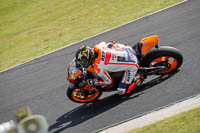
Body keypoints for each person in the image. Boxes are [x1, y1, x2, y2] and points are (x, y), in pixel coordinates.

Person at [75, 41, 140, 95]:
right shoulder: (97, 47)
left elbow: (108, 81)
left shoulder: (99, 67)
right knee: (110, 44)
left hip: (133, 64)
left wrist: (94, 82)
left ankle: (137, 78)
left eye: (83, 60)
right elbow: (105, 43)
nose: (82, 62)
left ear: (89, 58)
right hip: (127, 49)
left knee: (121, 92)